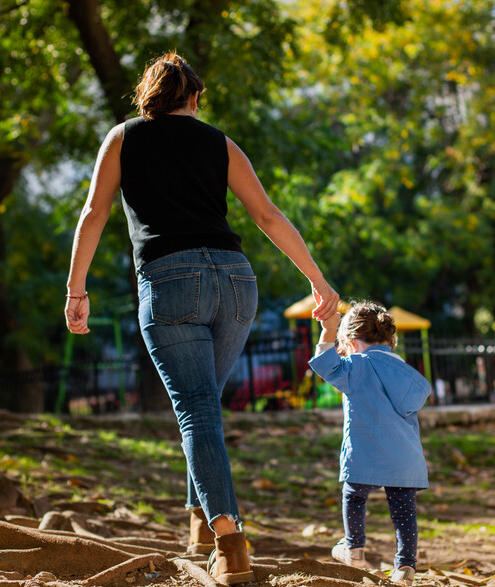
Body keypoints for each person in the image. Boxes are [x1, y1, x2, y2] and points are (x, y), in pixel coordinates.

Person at [64, 52, 339, 585]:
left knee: (195, 410)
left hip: (171, 283)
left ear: (150, 96)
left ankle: (230, 543)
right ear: (194, 98)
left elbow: (94, 212)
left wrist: (77, 289)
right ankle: (198, 523)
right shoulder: (220, 142)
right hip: (236, 282)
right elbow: (266, 215)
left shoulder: (123, 137)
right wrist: (317, 280)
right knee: (204, 404)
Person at [309, 301, 430, 585]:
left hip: (364, 454)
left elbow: (325, 365)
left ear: (350, 341)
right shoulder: (403, 369)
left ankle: (354, 548)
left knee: (354, 495)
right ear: (390, 340)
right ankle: (406, 565)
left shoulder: (357, 366)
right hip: (404, 457)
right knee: (403, 509)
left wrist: (327, 331)